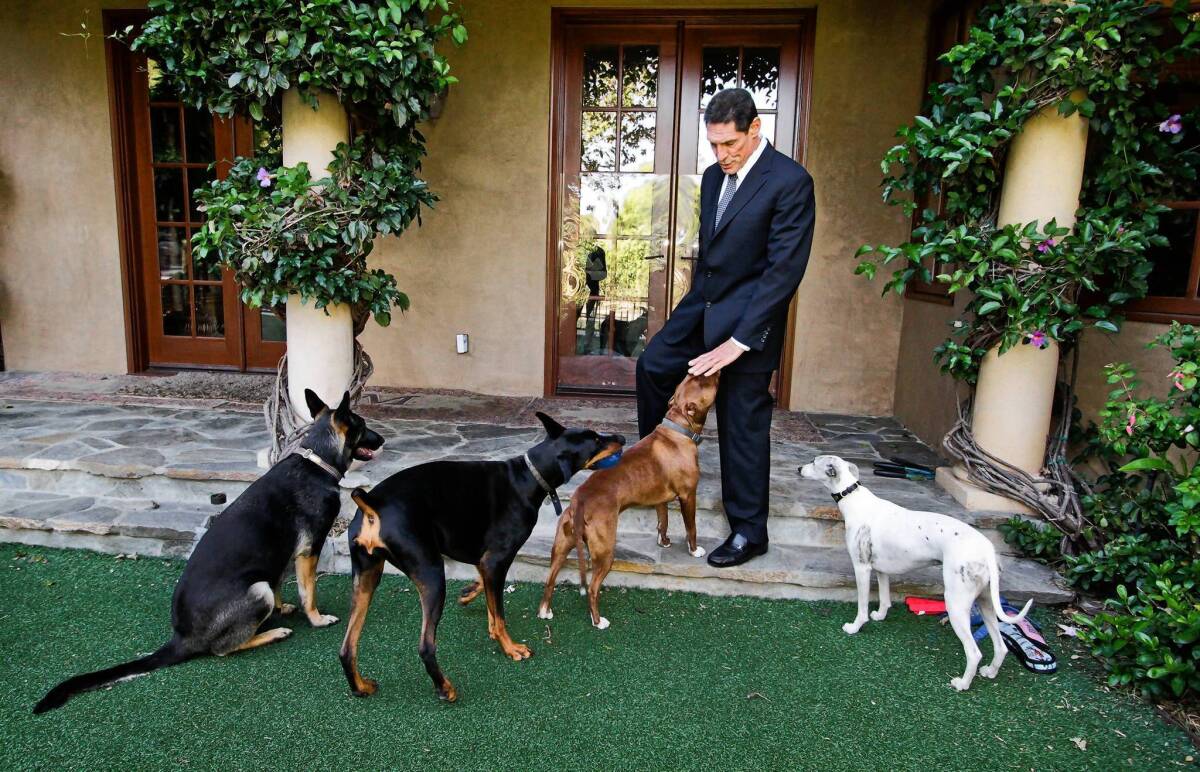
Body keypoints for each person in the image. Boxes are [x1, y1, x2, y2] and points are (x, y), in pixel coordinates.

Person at [635, 87, 815, 568]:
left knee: (742, 421)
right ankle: (656, 469)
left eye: (730, 144)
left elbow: (783, 272)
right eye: (714, 145)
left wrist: (739, 342)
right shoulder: (716, 177)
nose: (721, 155)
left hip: (752, 319)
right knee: (653, 366)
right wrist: (693, 306)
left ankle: (749, 532)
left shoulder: (791, 182)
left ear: (755, 129)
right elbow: (714, 251)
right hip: (704, 305)